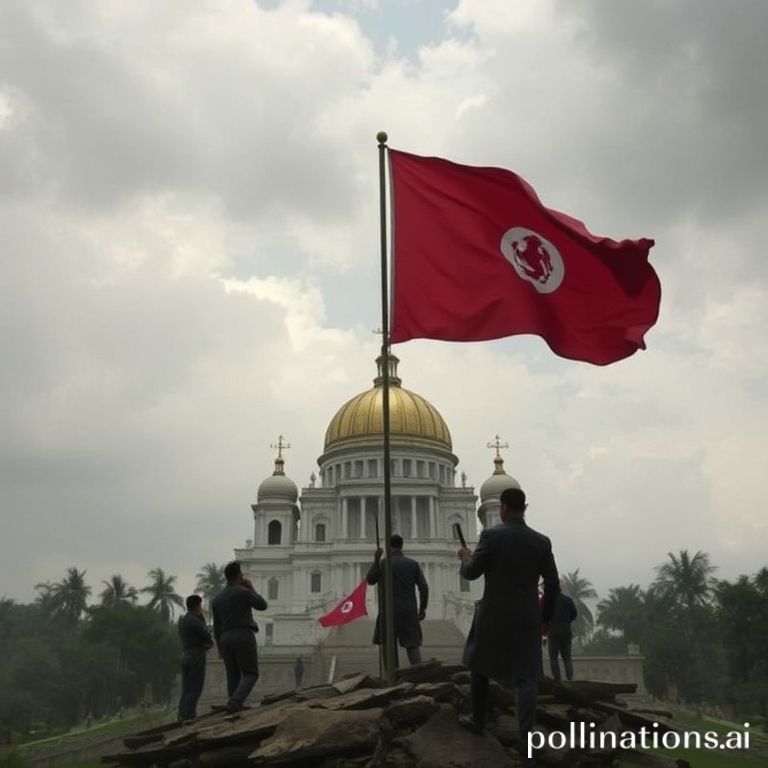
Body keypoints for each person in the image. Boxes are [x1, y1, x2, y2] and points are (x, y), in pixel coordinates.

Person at [457, 487, 560, 748]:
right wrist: (545, 617)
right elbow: (552, 584)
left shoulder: (491, 536)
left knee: (479, 667)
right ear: (524, 508)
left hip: (493, 614)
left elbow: (471, 573)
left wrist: (466, 558)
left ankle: (478, 722)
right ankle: (526, 737)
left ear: (502, 508)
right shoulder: (541, 541)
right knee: (526, 678)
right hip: (527, 616)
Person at [211, 561, 268, 713]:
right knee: (250, 673)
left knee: (233, 674)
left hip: (224, 638)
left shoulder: (217, 599)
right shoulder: (243, 592)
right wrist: (251, 588)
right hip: (242, 634)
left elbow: (217, 626)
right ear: (239, 575)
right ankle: (235, 702)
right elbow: (262, 605)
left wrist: (219, 646)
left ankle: (233, 705)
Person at [366, 534, 429, 666]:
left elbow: (370, 580)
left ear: (389, 546)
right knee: (412, 646)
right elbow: (423, 587)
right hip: (408, 610)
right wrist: (422, 608)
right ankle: (420, 674)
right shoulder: (413, 564)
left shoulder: (383, 564)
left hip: (388, 611)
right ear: (402, 546)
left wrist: (376, 560)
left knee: (388, 647)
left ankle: (393, 679)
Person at [177, 594, 213, 721]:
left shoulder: (183, 620)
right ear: (197, 606)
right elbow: (206, 635)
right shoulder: (194, 620)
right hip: (196, 655)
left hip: (186, 654)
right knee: (195, 688)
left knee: (186, 688)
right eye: (200, 606)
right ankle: (189, 717)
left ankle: (182, 715)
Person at [547, 582, 578, 683]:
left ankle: (557, 680)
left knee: (553, 657)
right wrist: (567, 621)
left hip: (553, 630)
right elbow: (574, 613)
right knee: (567, 657)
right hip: (565, 630)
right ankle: (570, 678)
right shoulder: (568, 600)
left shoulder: (549, 601)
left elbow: (543, 614)